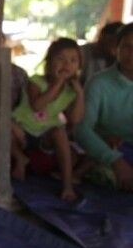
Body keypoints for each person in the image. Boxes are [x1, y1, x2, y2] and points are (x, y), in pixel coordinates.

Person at [10, 38, 87, 201]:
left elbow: (75, 119)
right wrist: (58, 82)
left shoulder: (69, 92)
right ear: (49, 62)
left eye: (73, 61)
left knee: (60, 133)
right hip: (22, 128)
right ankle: (19, 158)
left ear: (78, 67)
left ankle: (67, 185)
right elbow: (37, 105)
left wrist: (79, 95)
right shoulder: (36, 81)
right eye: (60, 59)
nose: (66, 64)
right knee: (4, 127)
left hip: (45, 132)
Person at [75, 23, 133, 191]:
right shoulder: (98, 83)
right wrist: (116, 161)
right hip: (106, 153)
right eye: (127, 46)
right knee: (107, 178)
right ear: (117, 48)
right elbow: (82, 129)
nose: (132, 53)